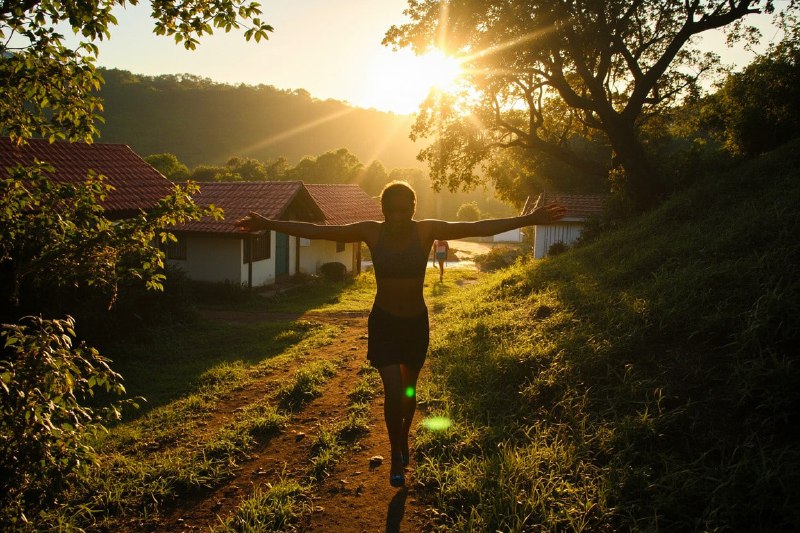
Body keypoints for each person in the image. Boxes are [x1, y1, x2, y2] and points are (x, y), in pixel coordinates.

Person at [236, 181, 565, 487]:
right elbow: (318, 230)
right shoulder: (371, 232)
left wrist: (529, 219)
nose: (396, 216)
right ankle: (396, 453)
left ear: (412, 207)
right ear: (382, 209)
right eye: (390, 209)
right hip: (384, 324)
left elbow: (478, 227)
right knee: (394, 392)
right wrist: (269, 223)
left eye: (403, 209)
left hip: (415, 325)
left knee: (409, 392)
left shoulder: (426, 231)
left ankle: (404, 436)